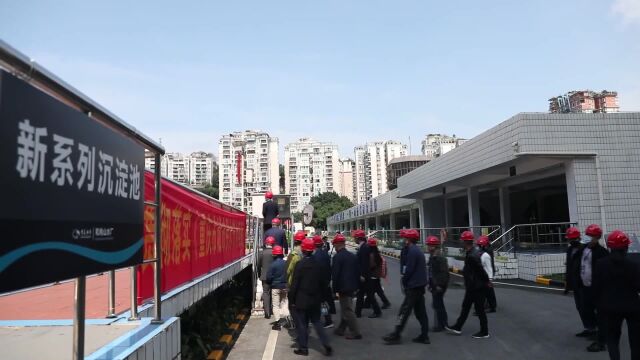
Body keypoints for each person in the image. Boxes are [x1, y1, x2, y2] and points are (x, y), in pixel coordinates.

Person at [593, 230, 640, 360]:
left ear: (610, 246)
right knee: (635, 341)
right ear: (626, 247)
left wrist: (598, 306)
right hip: (633, 308)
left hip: (609, 307)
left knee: (612, 339)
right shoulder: (634, 265)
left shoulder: (600, 264)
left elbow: (596, 287)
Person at [383, 229, 430, 345]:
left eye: (404, 238)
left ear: (408, 239)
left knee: (404, 311)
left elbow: (408, 270)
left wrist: (404, 280)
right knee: (420, 312)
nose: (403, 240)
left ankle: (396, 334)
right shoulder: (414, 250)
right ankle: (425, 336)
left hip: (413, 287)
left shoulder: (413, 252)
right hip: (418, 286)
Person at [289, 238, 333, 356]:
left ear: (303, 250)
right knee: (317, 322)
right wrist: (322, 297)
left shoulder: (300, 264)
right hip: (315, 299)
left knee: (302, 324)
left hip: (301, 300)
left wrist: (291, 300)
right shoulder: (318, 264)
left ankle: (303, 348)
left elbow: (294, 284)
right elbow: (323, 283)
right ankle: (326, 344)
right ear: (313, 249)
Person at [446, 230, 490, 339]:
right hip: (472, 286)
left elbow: (481, 271)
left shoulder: (472, 256)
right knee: (466, 307)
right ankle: (458, 327)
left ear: (465, 242)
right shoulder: (471, 252)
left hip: (477, 287)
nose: (461, 242)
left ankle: (484, 332)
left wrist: (487, 281)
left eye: (462, 240)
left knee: (479, 309)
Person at [578, 224, 609, 353]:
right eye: (587, 235)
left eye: (590, 236)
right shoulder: (584, 249)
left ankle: (603, 337)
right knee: (586, 309)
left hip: (597, 288)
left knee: (601, 313)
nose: (587, 238)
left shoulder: (602, 252)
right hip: (585, 286)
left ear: (596, 237)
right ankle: (592, 330)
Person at [331, 233, 362, 340]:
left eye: (334, 244)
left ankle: (355, 332)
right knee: (346, 308)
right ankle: (341, 328)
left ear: (338, 244)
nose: (334, 246)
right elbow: (358, 272)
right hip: (353, 286)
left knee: (347, 310)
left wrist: (334, 290)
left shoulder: (337, 257)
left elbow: (335, 275)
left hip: (343, 287)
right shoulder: (352, 256)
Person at [564, 226, 590, 337]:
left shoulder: (585, 249)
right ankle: (588, 327)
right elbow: (569, 266)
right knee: (580, 307)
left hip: (584, 283)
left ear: (577, 238)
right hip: (575, 283)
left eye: (571, 239)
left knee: (587, 307)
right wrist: (567, 282)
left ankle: (595, 328)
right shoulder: (570, 250)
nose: (569, 241)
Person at [354, 229, 381, 318]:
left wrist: (362, 275)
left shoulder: (364, 248)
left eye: (355, 237)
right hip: (365, 276)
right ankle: (357, 312)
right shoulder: (363, 247)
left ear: (358, 238)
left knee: (366, 295)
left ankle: (376, 311)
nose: (354, 239)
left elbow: (365, 263)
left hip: (365, 276)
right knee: (362, 295)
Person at [426, 236, 449, 332]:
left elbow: (444, 273)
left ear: (434, 246)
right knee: (437, 304)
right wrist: (430, 284)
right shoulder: (432, 256)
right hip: (434, 284)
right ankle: (442, 323)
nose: (427, 247)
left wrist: (440, 285)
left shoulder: (440, 258)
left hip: (439, 284)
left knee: (438, 304)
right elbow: (431, 271)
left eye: (429, 245)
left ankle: (442, 325)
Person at [312, 234, 335, 328]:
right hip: (325, 282)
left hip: (318, 283)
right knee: (322, 303)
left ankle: (327, 320)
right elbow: (329, 268)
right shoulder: (325, 254)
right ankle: (325, 319)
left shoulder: (315, 256)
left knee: (321, 303)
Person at [284, 231, 306, 331]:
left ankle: (299, 326)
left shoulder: (293, 255)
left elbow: (287, 271)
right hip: (305, 285)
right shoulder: (306, 254)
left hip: (293, 285)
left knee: (292, 307)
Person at [267, 245, 288, 330]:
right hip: (285, 286)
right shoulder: (286, 263)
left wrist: (270, 283)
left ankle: (277, 323)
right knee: (284, 303)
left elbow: (268, 277)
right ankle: (288, 320)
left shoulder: (272, 265)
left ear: (274, 255)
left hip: (275, 287)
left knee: (275, 305)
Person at [367, 238, 391, 310]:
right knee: (378, 290)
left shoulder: (372, 255)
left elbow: (371, 266)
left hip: (373, 276)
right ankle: (386, 302)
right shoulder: (377, 253)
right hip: (377, 275)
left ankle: (376, 308)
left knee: (371, 292)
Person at [477, 235, 496, 313]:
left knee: (488, 290)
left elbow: (488, 266)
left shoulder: (487, 251)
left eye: (480, 245)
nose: (479, 246)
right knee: (488, 290)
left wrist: (490, 278)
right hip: (486, 272)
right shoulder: (486, 250)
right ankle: (490, 304)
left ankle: (491, 305)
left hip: (488, 271)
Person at [258, 236, 275, 319]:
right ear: (273, 243)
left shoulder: (262, 253)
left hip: (264, 276)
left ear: (266, 243)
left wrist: (259, 274)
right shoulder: (275, 252)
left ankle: (267, 312)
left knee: (266, 293)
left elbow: (259, 265)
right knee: (272, 292)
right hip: (274, 276)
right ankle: (271, 310)